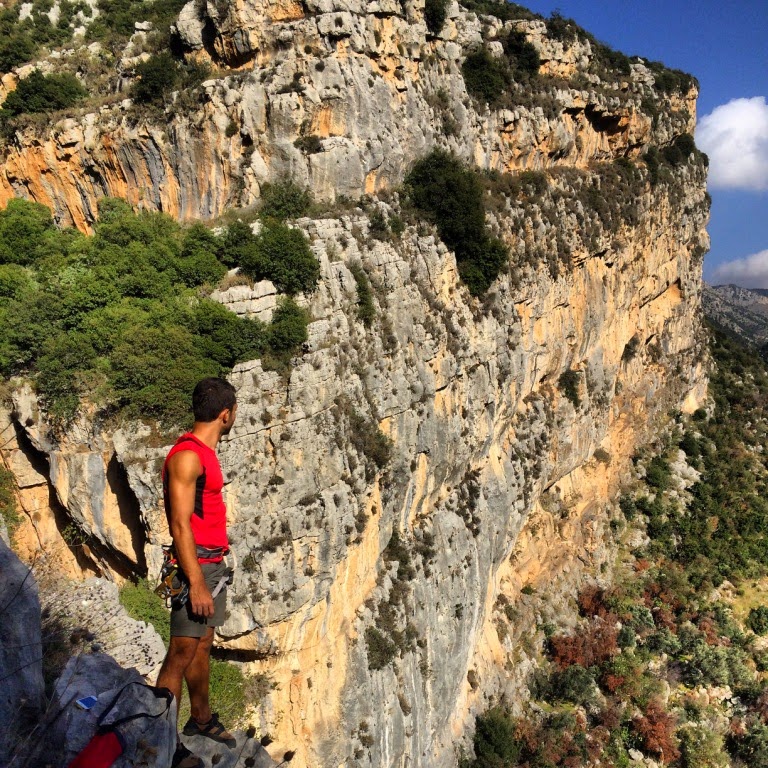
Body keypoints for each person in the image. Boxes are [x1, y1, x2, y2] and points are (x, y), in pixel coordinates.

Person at [156, 377, 238, 768]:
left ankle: (201, 719)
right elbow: (180, 525)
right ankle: (163, 744)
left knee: (202, 644)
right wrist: (197, 582)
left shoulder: (204, 452)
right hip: (197, 566)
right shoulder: (188, 456)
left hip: (212, 562)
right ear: (226, 414)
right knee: (180, 652)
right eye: (234, 411)